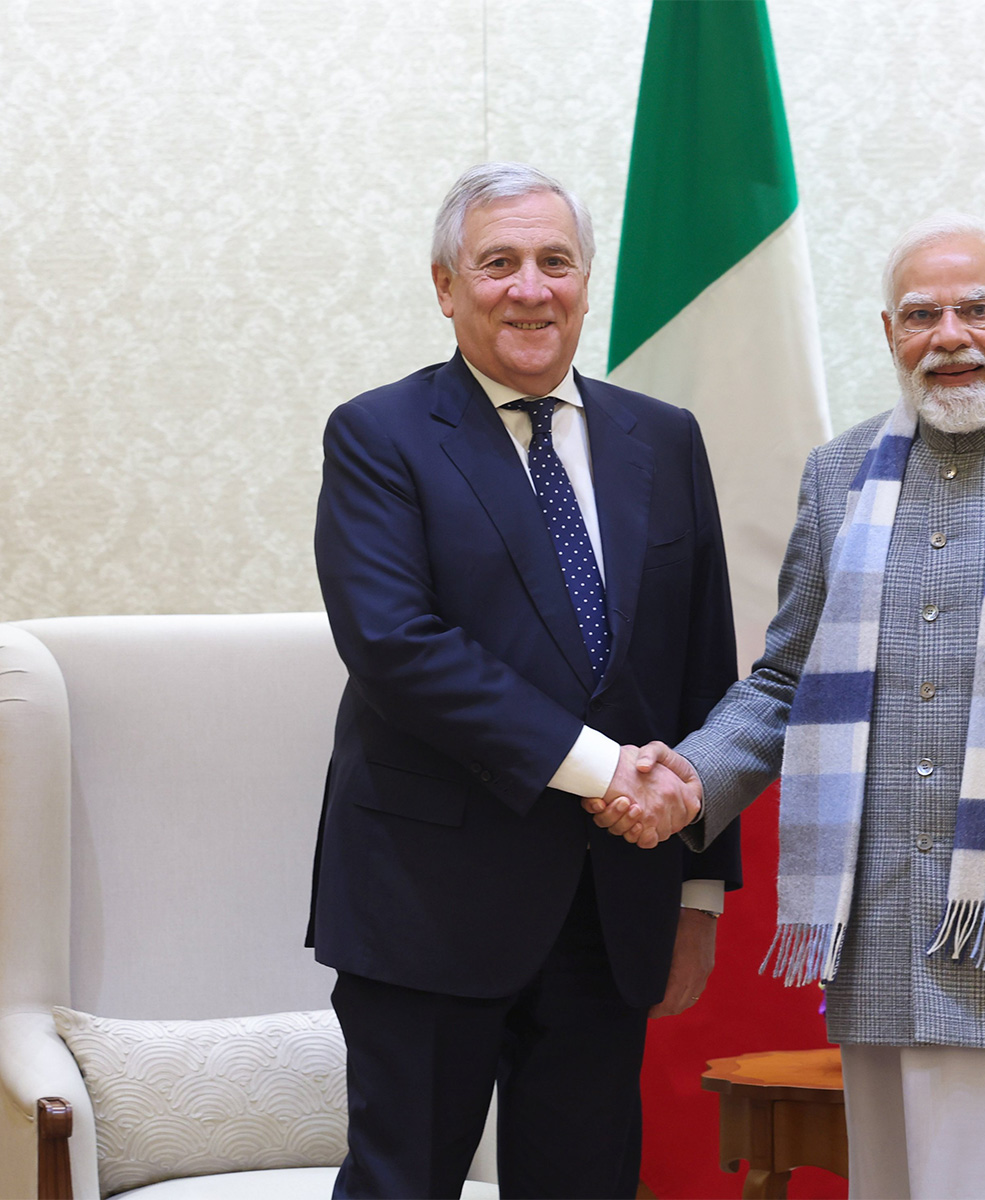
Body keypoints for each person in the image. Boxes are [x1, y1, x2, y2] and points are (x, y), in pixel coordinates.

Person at [590, 215, 985, 1199]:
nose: (952, 336)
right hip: (887, 942)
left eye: (977, 309)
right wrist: (687, 778)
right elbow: (783, 687)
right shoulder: (839, 475)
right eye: (922, 315)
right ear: (890, 332)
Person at [307, 162, 737, 1200]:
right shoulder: (380, 436)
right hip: (428, 903)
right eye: (497, 263)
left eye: (555, 261)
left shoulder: (663, 437)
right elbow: (397, 646)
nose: (530, 288)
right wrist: (604, 772)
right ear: (446, 287)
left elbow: (699, 664)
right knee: (401, 1184)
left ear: (588, 280)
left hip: (613, 905)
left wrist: (695, 886)